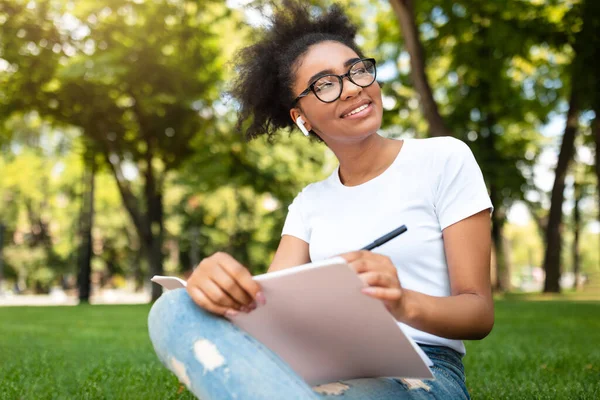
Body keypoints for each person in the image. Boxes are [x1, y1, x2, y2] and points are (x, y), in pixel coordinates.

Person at [148, 2, 494, 399]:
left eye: (357, 70)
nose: (352, 88)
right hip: (321, 369)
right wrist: (211, 287)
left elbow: (478, 312)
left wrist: (402, 302)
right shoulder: (309, 203)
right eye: (325, 84)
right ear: (301, 118)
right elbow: (265, 314)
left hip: (424, 374)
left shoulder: (443, 158)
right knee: (171, 310)